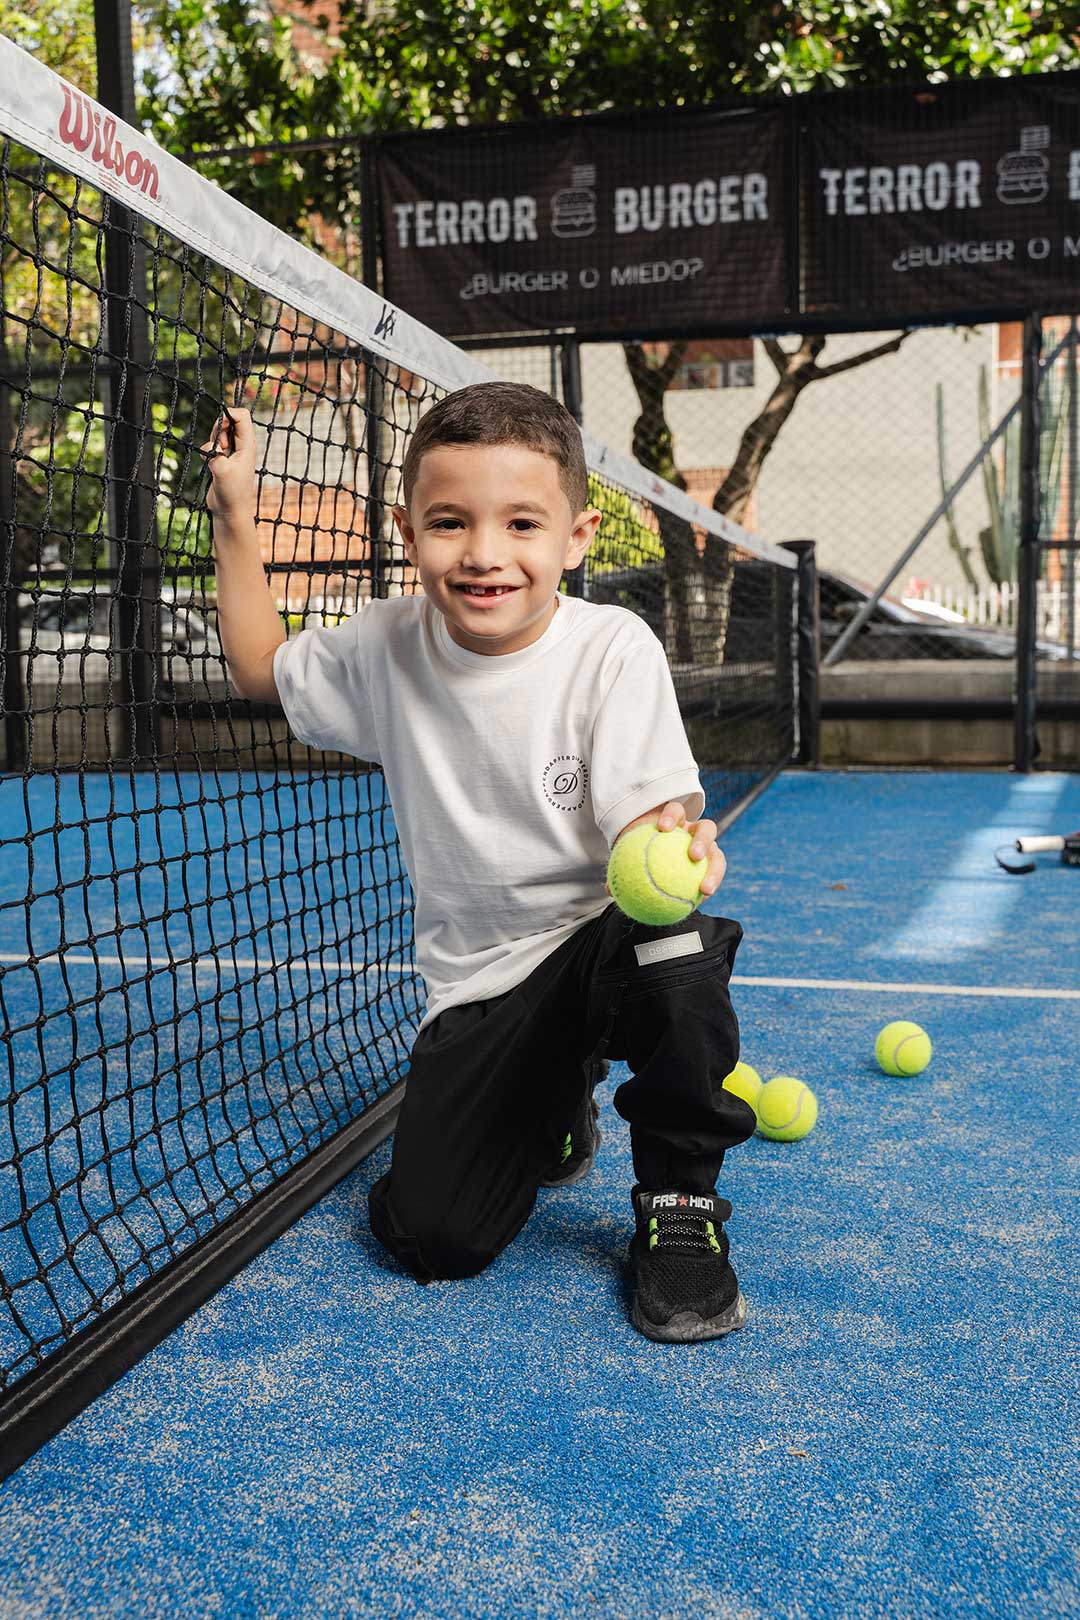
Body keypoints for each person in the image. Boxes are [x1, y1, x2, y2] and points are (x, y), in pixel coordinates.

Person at [201, 380, 757, 1343]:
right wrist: (234, 511)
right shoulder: (383, 646)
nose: (485, 553)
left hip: (600, 946)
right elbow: (259, 666)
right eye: (450, 522)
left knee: (674, 942)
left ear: (576, 538)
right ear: (409, 531)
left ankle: (680, 1205)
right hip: (479, 989)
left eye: (522, 523)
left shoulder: (612, 649)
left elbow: (643, 818)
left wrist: (671, 836)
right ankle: (557, 1101)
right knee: (432, 1238)